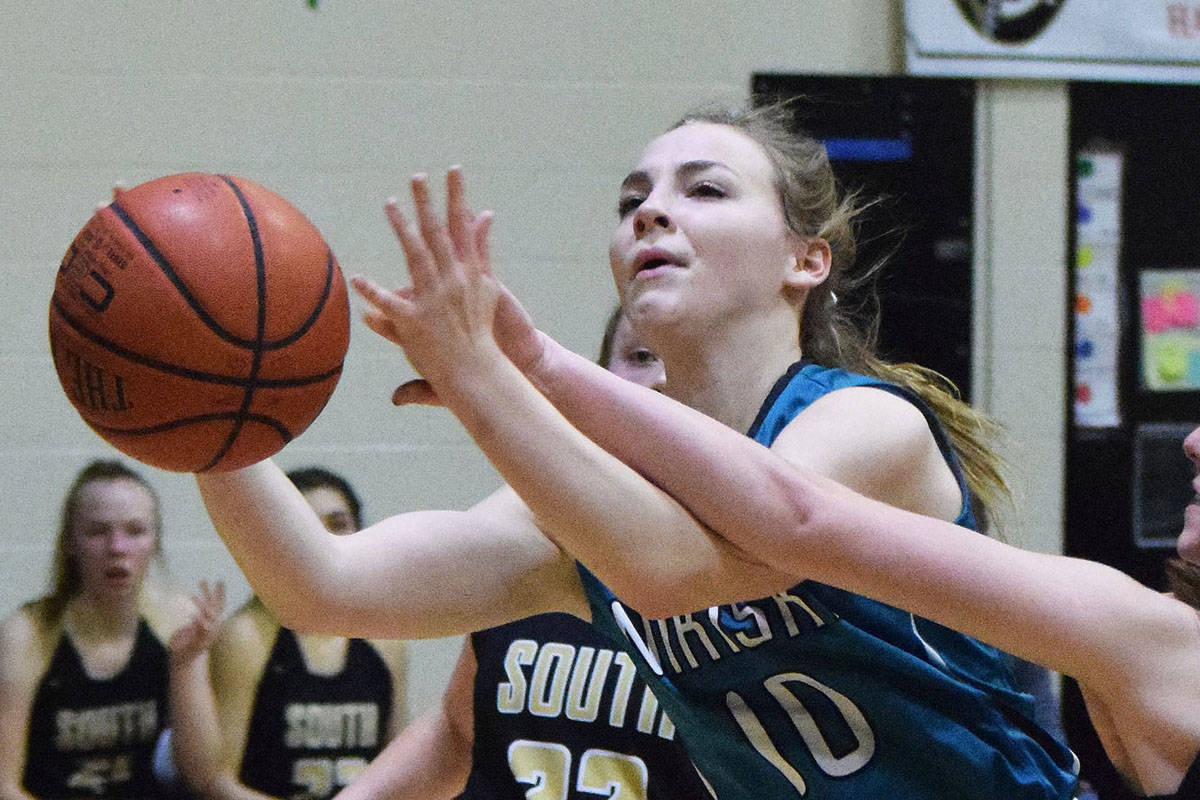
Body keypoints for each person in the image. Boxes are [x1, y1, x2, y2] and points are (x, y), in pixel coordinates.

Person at [195, 102, 1079, 799]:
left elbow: (678, 568)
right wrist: (203, 410)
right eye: (632, 201)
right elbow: (322, 586)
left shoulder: (865, 425)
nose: (652, 210)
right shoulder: (595, 494)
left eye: (705, 190)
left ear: (804, 261)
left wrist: (495, 377)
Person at [334, 307, 711, 800]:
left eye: (687, 359)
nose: (660, 379)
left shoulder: (753, 576)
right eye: (640, 356)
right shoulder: (542, 533)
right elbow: (456, 731)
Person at [168, 468, 408, 800]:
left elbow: (400, 765)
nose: (323, 540)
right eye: (306, 527)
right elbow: (216, 782)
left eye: (337, 525)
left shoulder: (385, 637)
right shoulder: (246, 636)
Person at [0, 459, 197, 800]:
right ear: (70, 543)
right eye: (97, 532)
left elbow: (205, 776)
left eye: (135, 531)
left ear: (155, 542)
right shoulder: (28, 632)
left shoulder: (177, 621)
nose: (117, 548)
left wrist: (187, 664)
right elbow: (4, 785)